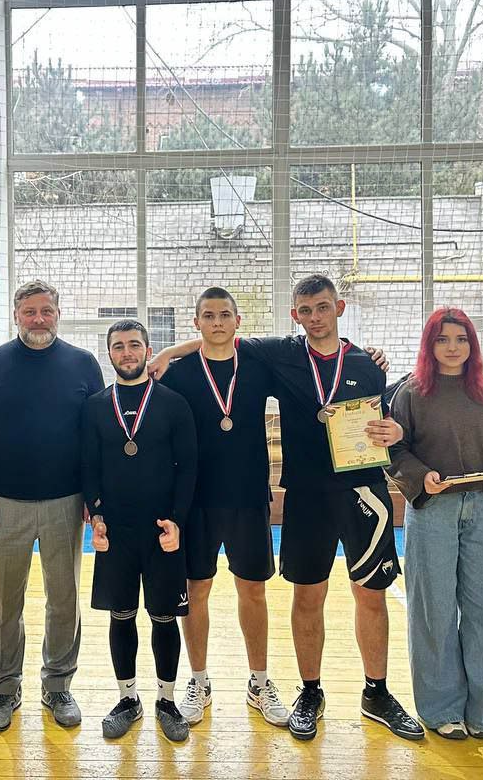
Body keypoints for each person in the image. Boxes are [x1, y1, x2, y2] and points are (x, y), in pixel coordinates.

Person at [152, 273, 418, 743]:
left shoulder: (368, 363)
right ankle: (309, 691)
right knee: (306, 597)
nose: (315, 317)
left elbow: (391, 420)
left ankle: (375, 692)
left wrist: (396, 430)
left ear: (339, 308)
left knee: (370, 596)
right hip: (306, 496)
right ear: (295, 315)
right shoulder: (281, 354)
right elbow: (218, 339)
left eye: (323, 307)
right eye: (306, 310)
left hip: (362, 493)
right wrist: (169, 352)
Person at [0, 280, 104, 732]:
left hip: (66, 503)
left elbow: (96, 437)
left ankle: (58, 685)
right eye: (30, 312)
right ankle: (5, 688)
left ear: (58, 313)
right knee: (5, 603)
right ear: (16, 315)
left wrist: (93, 498)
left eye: (46, 311)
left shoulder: (83, 364)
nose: (38, 319)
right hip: (4, 504)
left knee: (64, 600)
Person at [155, 287, 289, 727]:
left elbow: (307, 351)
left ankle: (259, 682)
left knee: (254, 590)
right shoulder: (178, 373)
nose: (217, 322)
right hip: (196, 502)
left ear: (237, 321)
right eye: (208, 316)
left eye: (224, 315)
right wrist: (170, 354)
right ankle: (199, 680)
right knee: (196, 590)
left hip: (248, 497)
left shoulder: (257, 365)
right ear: (196, 322)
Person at [388, 308, 483, 740]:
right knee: (433, 610)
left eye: (460, 339)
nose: (452, 347)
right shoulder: (411, 392)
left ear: (472, 344)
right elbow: (393, 451)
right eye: (442, 339)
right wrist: (422, 478)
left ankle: (482, 710)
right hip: (432, 509)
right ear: (429, 345)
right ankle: (441, 710)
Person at [82, 320, 197, 743]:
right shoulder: (95, 406)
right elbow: (88, 466)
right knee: (122, 615)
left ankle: (166, 701)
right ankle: (127, 699)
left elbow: (188, 467)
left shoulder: (173, 404)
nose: (127, 352)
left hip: (161, 529)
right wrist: (96, 515)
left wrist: (178, 521)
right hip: (116, 531)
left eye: (134, 345)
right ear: (109, 353)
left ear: (148, 350)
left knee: (164, 616)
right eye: (118, 346)